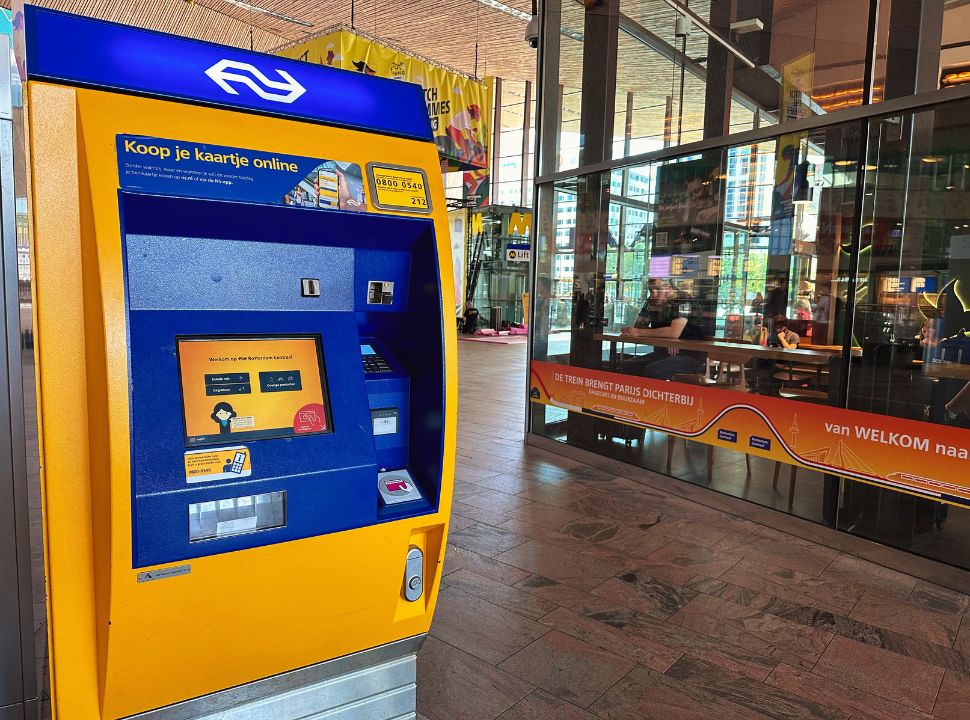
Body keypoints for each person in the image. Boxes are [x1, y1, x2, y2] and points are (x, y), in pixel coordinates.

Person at [619, 279, 708, 379]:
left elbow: (674, 332)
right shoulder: (651, 301)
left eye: (657, 289)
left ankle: (656, 394)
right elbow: (638, 326)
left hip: (690, 356)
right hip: (662, 353)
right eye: (650, 290)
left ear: (668, 287)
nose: (653, 294)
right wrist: (667, 336)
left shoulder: (682, 299)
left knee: (653, 370)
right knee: (628, 366)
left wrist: (670, 336)